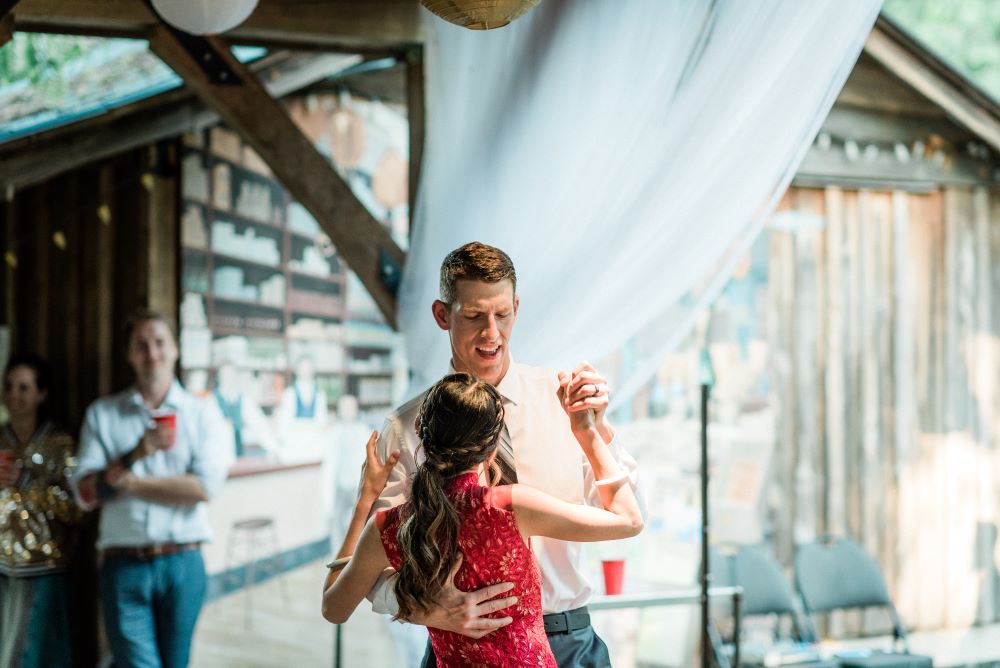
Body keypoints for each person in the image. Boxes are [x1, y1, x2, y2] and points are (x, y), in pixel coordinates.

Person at [369, 242, 641, 667]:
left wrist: (598, 430)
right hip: (458, 646)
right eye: (474, 316)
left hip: (566, 639)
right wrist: (427, 609)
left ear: (516, 307)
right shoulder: (405, 430)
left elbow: (628, 511)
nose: (491, 333)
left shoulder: (564, 401)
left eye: (502, 315)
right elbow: (373, 564)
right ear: (443, 315)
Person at [322, 373, 642, 667]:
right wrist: (587, 432)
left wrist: (365, 500)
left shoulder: (388, 527)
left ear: (422, 433)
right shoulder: (509, 507)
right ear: (491, 450)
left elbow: (334, 608)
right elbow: (628, 520)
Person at [70, 310, 233, 668]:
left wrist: (128, 483)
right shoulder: (104, 414)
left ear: (175, 349)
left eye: (159, 342)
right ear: (129, 355)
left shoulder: (202, 413)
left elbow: (203, 487)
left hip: (183, 562)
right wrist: (137, 453)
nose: (151, 352)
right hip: (123, 565)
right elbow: (85, 494)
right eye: (140, 345)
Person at [0, 353, 82, 668]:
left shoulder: (59, 444)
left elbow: (76, 509)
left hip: (43, 568)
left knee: (33, 654)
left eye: (23, 387)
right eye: (9, 387)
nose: (14, 396)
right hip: (2, 567)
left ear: (41, 394)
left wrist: (26, 481)